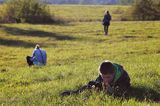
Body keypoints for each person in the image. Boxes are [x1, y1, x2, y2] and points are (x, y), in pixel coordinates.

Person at [60, 60, 131, 97]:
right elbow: (96, 82)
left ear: (114, 74)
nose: (106, 79)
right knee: (92, 84)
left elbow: (123, 94)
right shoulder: (102, 75)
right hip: (109, 86)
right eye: (103, 77)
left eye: (108, 77)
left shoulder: (123, 77)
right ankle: (74, 92)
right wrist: (94, 87)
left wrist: (112, 91)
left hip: (120, 85)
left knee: (119, 92)